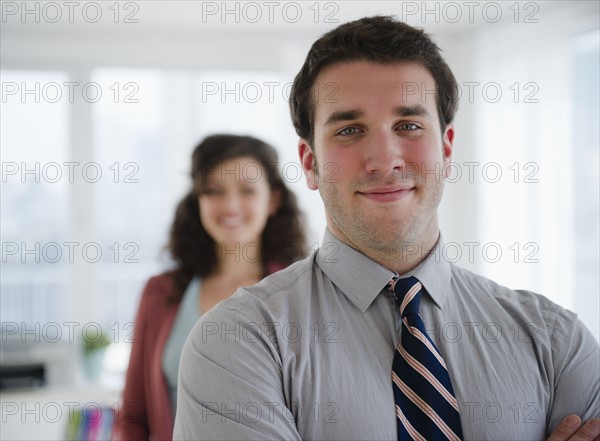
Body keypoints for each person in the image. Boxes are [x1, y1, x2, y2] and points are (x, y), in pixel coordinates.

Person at [173, 17, 600, 440]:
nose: (384, 158)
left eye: (409, 125)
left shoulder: (557, 341)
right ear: (310, 163)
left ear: (447, 148)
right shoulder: (235, 343)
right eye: (350, 130)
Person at [112, 134, 307, 440]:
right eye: (214, 191)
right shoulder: (159, 293)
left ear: (273, 200)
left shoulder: (302, 293)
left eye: (246, 191)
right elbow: (133, 417)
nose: (230, 206)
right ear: (198, 201)